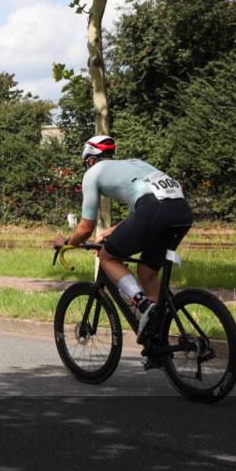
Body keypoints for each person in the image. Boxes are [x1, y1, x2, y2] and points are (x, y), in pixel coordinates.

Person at [53, 135, 193, 349]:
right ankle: (158, 338)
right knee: (147, 272)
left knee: (108, 256)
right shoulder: (134, 164)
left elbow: (85, 227)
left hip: (153, 210)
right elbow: (140, 214)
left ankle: (143, 304)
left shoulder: (93, 173)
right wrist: (110, 231)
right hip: (181, 211)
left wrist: (67, 242)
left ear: (90, 160)